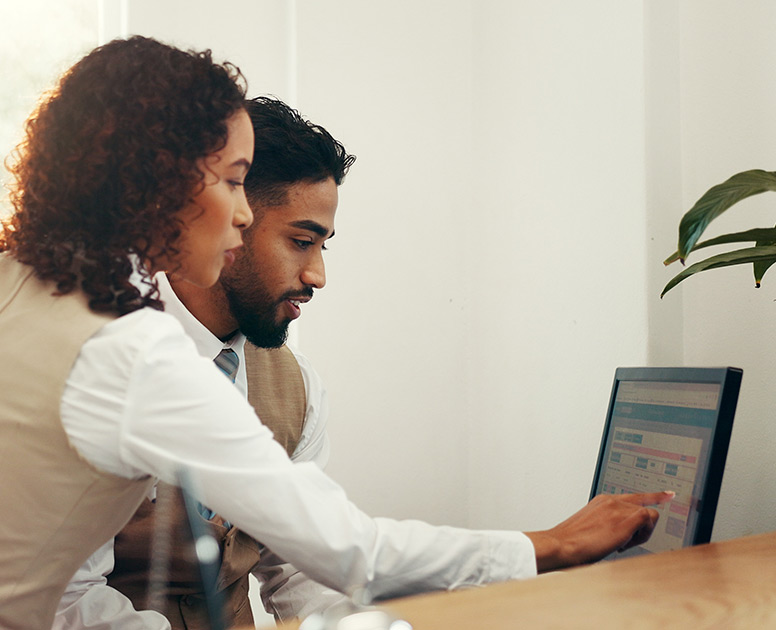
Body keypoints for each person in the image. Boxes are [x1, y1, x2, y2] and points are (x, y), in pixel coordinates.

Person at [0, 37, 669, 630]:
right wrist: (547, 543)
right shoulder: (129, 356)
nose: (242, 215)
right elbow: (351, 550)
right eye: (229, 181)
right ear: (162, 182)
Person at [52, 97, 675, 629]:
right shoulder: (98, 359)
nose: (317, 275)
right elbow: (65, 603)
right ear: (228, 223)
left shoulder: (297, 389)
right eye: (301, 241)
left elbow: (306, 562)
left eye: (323, 245)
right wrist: (550, 546)